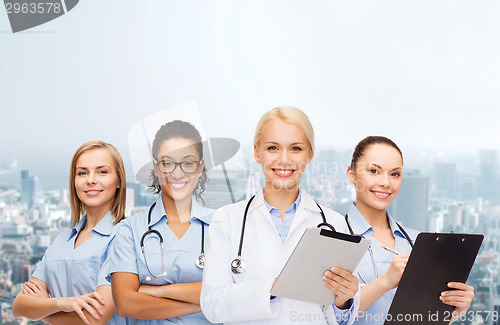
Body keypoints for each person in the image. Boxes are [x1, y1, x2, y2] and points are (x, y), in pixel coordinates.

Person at [200, 106, 360, 325]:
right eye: (273, 148)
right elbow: (213, 305)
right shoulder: (226, 221)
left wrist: (343, 300)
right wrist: (272, 288)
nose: (284, 159)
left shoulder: (333, 224)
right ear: (257, 153)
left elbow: (339, 318)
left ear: (309, 154)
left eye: (295, 148)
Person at [345, 136, 475, 325]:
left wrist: (455, 310)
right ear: (351, 174)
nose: (386, 183)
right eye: (374, 171)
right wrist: (386, 281)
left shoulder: (417, 241)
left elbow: (424, 317)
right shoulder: (335, 236)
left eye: (395, 174)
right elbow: (326, 315)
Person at [109, 120, 215, 324]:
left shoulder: (221, 225)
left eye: (188, 162)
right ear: (156, 168)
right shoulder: (130, 230)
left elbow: (230, 290)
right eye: (167, 163)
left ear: (200, 167)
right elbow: (126, 304)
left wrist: (160, 291)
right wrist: (204, 301)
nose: (177, 173)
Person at [12, 140, 127, 325]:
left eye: (102, 171)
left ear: (119, 181)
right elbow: (19, 306)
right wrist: (62, 303)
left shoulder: (124, 238)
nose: (91, 179)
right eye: (82, 172)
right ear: (74, 182)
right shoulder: (61, 241)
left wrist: (43, 309)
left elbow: (95, 317)